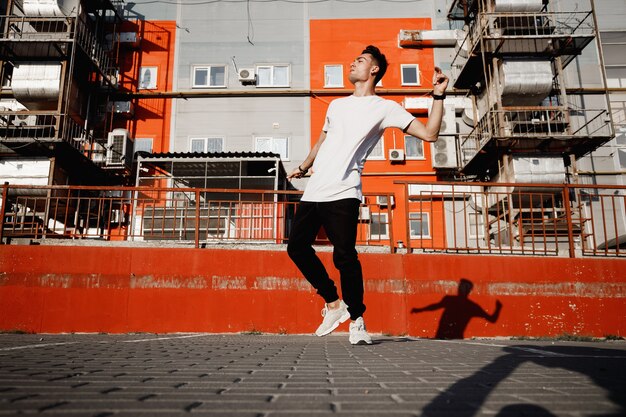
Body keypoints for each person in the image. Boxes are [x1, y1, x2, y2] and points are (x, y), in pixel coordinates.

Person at [287, 45, 449, 345]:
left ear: (374, 70)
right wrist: (303, 166)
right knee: (296, 247)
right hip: (315, 189)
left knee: (344, 255)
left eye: (359, 61)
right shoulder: (336, 105)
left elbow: (430, 135)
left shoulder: (385, 108)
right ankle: (334, 305)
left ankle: (357, 320)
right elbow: (322, 140)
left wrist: (438, 96)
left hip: (345, 191)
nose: (352, 64)